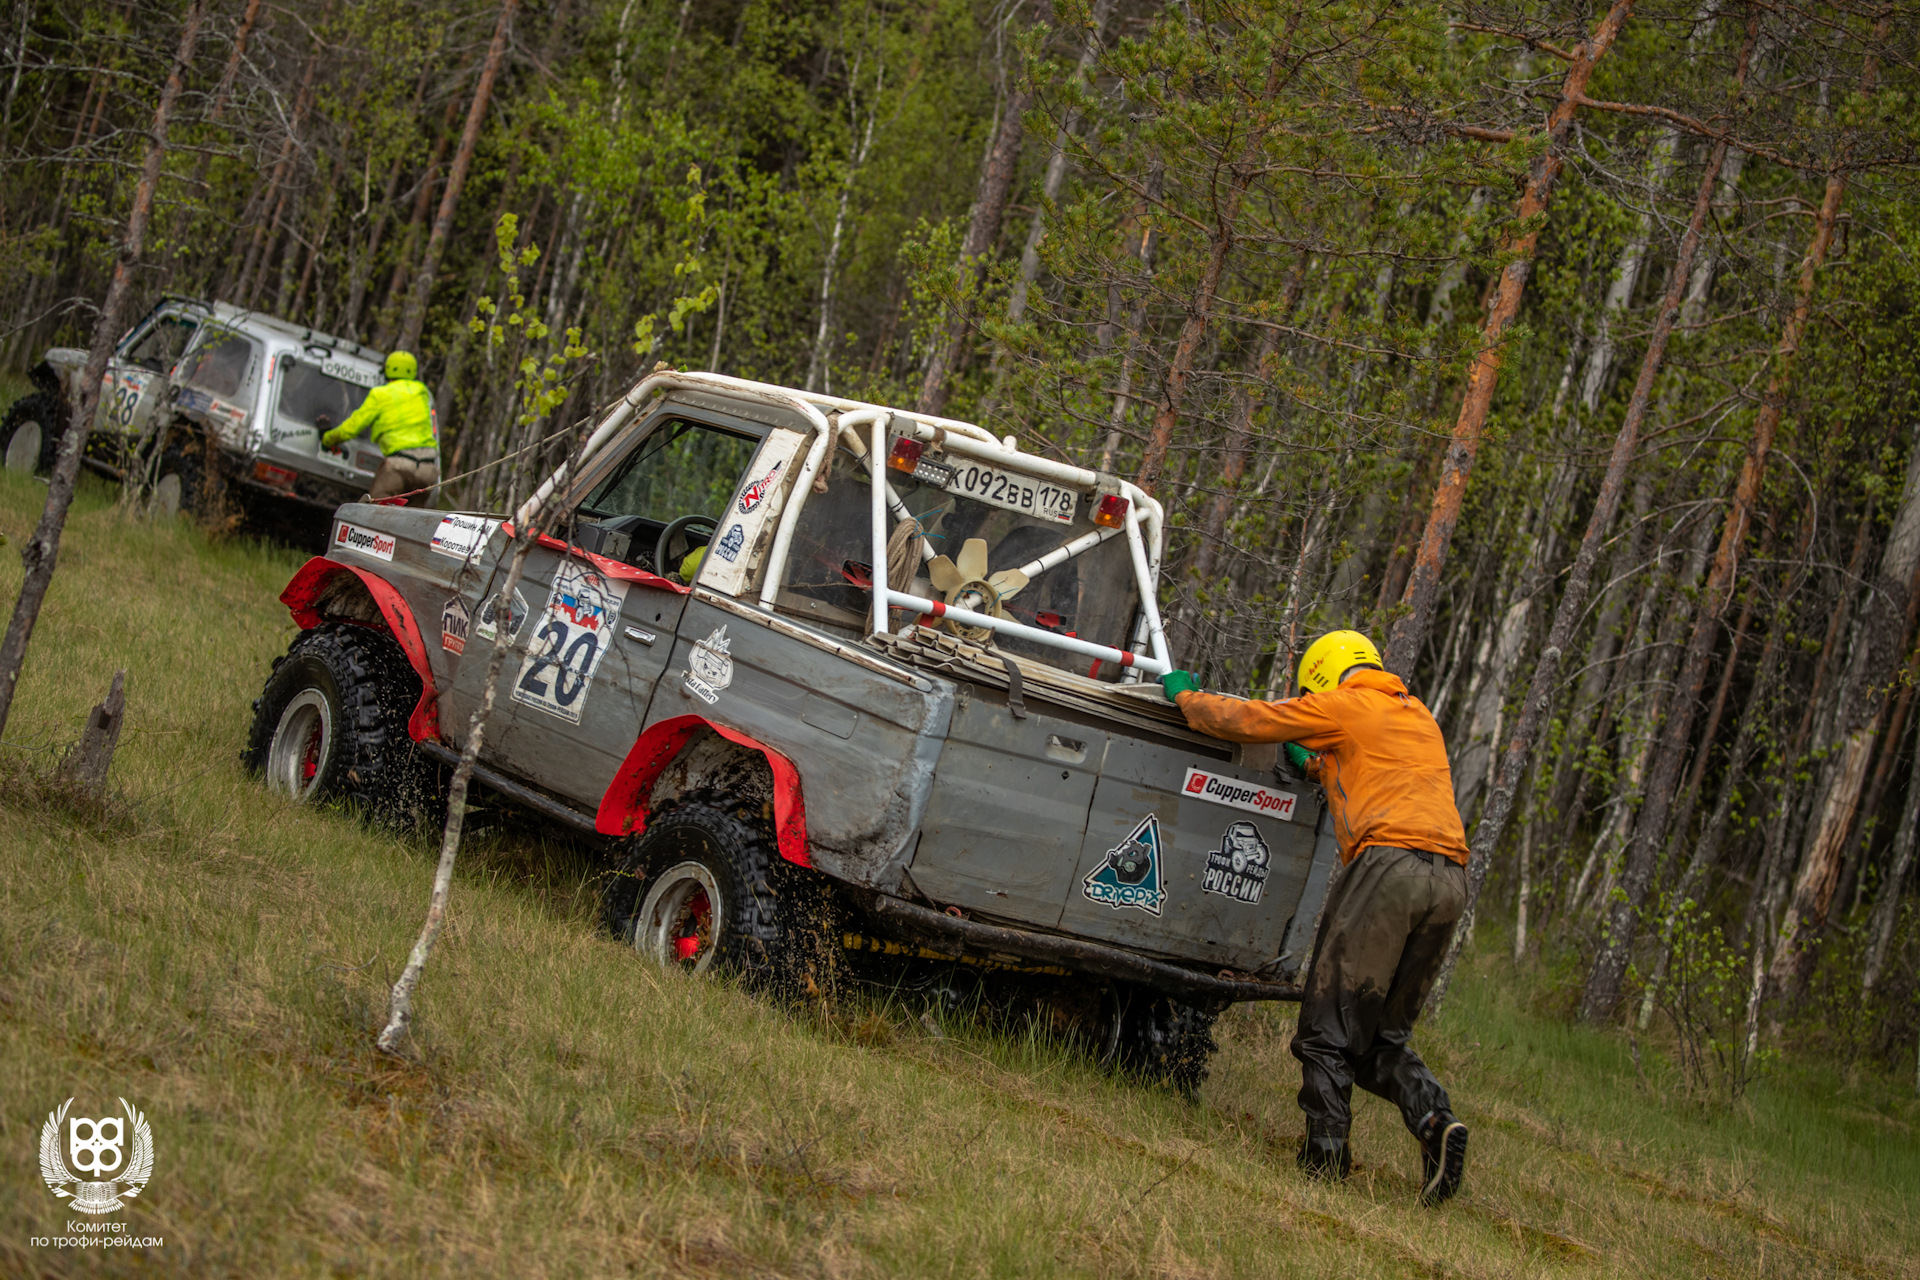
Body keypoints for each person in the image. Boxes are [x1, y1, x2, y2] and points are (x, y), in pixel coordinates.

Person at [1161, 630, 1471, 1206]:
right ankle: (1435, 1121)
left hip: (1388, 870)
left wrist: (1187, 699)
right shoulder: (1416, 715)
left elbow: (1254, 720)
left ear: (1324, 675)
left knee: (1326, 1026)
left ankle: (1324, 1157)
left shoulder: (1347, 702)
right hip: (1449, 878)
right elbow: (1369, 773)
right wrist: (1317, 765)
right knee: (1381, 1034)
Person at [321, 350, 439, 502]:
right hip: (427, 470)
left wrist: (327, 438)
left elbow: (352, 428)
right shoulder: (422, 392)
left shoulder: (380, 394)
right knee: (411, 523)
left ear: (387, 369)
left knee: (374, 515)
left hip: (399, 465)